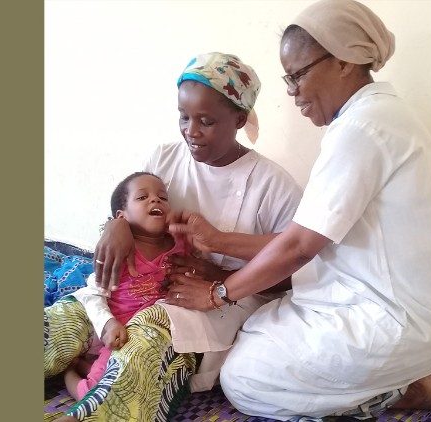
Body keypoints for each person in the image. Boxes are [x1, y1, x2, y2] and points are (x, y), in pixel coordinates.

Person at [165, 0, 431, 419]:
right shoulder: (371, 117)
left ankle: (396, 390)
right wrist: (217, 241)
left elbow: (296, 246)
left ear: (345, 61)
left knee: (243, 380)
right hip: (349, 294)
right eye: (184, 118)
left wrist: (218, 291)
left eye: (298, 75)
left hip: (385, 313)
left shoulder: (359, 129)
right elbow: (301, 238)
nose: (291, 92)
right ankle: (400, 377)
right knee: (253, 331)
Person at [44, 52, 302, 421]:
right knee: (69, 316)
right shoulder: (165, 158)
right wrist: (113, 226)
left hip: (217, 302)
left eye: (206, 121)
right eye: (184, 117)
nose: (190, 131)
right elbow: (128, 206)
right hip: (136, 286)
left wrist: (217, 278)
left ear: (239, 119)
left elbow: (292, 274)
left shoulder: (272, 185)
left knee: (145, 338)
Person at [62, 172, 188, 401]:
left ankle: (85, 364)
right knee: (96, 394)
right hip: (116, 333)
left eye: (163, 197)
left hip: (146, 334)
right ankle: (69, 373)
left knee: (126, 381)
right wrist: (109, 324)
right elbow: (95, 291)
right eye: (142, 197)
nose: (155, 200)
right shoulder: (118, 250)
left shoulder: (180, 245)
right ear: (121, 216)